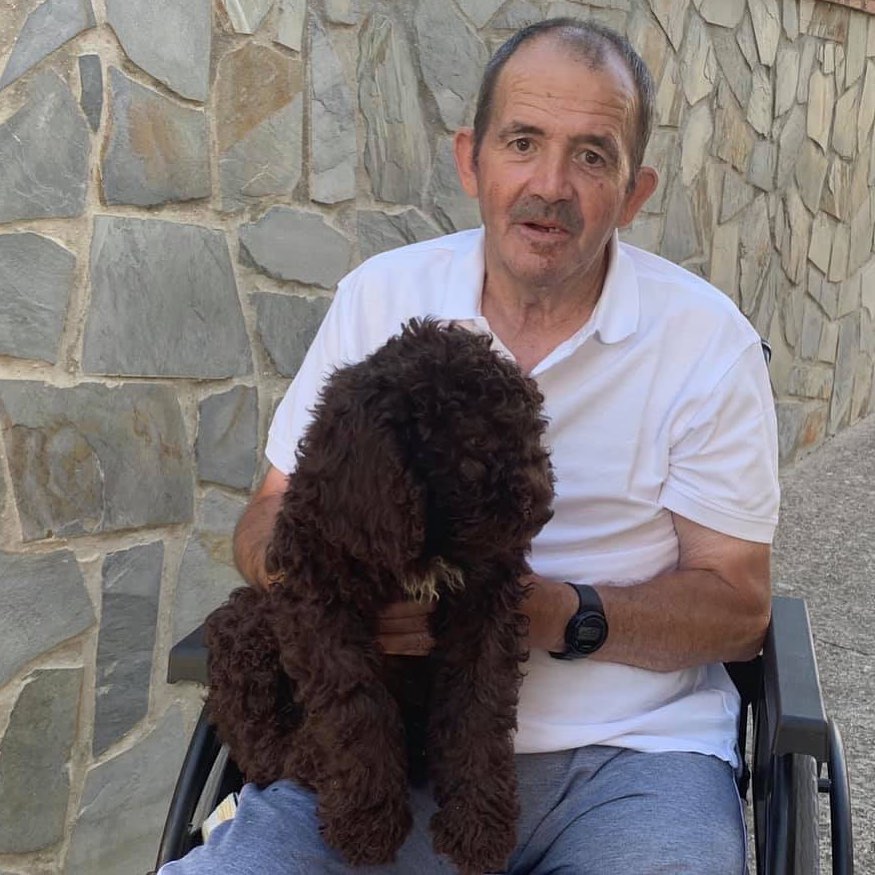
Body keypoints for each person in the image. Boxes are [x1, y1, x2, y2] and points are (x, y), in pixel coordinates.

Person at [162, 17, 779, 874]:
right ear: (469, 160)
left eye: (590, 156)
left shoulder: (707, 341)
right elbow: (268, 516)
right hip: (383, 746)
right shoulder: (382, 296)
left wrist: (557, 614)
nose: (549, 185)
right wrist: (334, 589)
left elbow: (740, 610)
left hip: (631, 757)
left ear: (634, 192)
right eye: (522, 142)